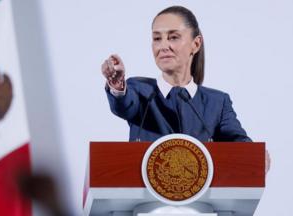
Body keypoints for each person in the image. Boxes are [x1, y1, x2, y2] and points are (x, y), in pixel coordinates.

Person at [102, 6, 252, 143]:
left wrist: (255, 156)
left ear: (196, 44)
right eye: (157, 38)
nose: (163, 46)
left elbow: (239, 142)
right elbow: (124, 105)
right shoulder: (139, 90)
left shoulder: (218, 102)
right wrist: (117, 85)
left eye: (173, 37)